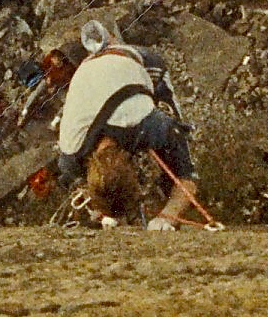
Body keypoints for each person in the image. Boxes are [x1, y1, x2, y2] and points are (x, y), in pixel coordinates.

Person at [56, 20, 197, 230]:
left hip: (140, 64)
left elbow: (188, 177)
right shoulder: (70, 153)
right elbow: (74, 183)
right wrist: (97, 208)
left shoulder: (152, 125)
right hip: (94, 72)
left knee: (176, 145)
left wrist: (168, 217)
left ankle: (167, 193)